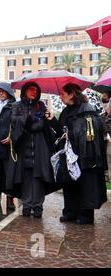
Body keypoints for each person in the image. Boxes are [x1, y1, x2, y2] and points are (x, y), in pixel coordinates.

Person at [49, 83, 107, 224]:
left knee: (85, 184)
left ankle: (85, 215)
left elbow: (90, 132)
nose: (60, 97)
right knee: (69, 184)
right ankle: (70, 212)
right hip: (69, 155)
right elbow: (61, 130)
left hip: (85, 155)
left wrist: (71, 135)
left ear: (71, 94)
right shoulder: (66, 111)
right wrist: (52, 121)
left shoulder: (87, 110)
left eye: (63, 94)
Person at [7, 82, 56, 218]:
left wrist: (38, 121)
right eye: (31, 89)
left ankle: (38, 206)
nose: (34, 92)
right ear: (24, 91)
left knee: (38, 176)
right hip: (23, 145)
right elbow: (14, 121)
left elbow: (41, 124)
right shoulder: (17, 105)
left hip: (40, 147)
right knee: (25, 176)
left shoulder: (40, 105)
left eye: (36, 90)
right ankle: (27, 205)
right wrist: (28, 120)